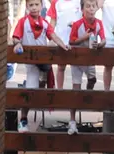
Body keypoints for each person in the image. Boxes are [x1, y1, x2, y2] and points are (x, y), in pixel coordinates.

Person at [12, 0, 71, 133]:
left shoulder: (44, 23)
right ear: (27, 7)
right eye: (31, 5)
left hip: (43, 62)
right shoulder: (23, 22)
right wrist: (17, 43)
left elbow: (53, 36)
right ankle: (23, 120)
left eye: (36, 5)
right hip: (31, 64)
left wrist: (63, 45)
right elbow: (16, 37)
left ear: (41, 6)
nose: (34, 8)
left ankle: (40, 93)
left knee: (40, 88)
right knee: (30, 91)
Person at [68, 0, 106, 135]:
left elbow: (104, 39)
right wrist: (83, 38)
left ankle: (86, 96)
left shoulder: (99, 23)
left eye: (93, 6)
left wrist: (100, 44)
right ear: (82, 9)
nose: (91, 9)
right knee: (75, 89)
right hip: (77, 61)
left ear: (97, 8)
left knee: (93, 79)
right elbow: (71, 41)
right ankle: (72, 121)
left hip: (90, 60)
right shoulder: (77, 24)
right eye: (88, 6)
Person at [47, 0, 86, 90]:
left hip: (77, 40)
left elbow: (85, 18)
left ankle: (76, 94)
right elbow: (53, 21)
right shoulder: (55, 2)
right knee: (61, 67)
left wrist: (76, 25)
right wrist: (50, 37)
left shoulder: (80, 1)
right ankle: (60, 91)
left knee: (76, 69)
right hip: (61, 40)